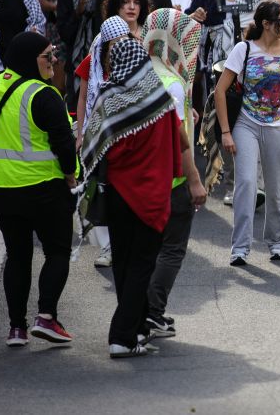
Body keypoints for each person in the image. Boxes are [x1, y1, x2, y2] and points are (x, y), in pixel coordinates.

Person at [0, 31, 77, 348]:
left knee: (18, 255)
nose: (54, 60)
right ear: (30, 60)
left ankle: (16, 328)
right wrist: (70, 174)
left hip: (2, 190)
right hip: (45, 188)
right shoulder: (44, 94)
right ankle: (46, 317)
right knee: (57, 251)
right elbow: (63, 141)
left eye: (54, 53)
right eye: (48, 55)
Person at [80, 36, 182, 357]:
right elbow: (176, 147)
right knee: (142, 265)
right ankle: (122, 337)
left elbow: (92, 146)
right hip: (152, 195)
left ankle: (137, 330)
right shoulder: (161, 100)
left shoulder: (107, 97)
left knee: (123, 263)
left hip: (116, 193)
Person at [215, 0, 280, 266]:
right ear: (266, 24)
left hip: (278, 126)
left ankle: (278, 242)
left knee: (277, 189)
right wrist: (226, 132)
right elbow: (220, 90)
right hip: (246, 123)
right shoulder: (244, 49)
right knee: (246, 184)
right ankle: (240, 247)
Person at [141, 7, 204, 339]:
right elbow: (179, 139)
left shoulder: (134, 73)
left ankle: (138, 314)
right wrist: (195, 181)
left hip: (138, 177)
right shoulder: (171, 82)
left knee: (143, 249)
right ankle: (153, 313)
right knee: (171, 248)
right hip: (171, 178)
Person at [54, 0, 104, 111]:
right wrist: (78, 13)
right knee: (76, 109)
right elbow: (64, 34)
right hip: (74, 63)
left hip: (101, 60)